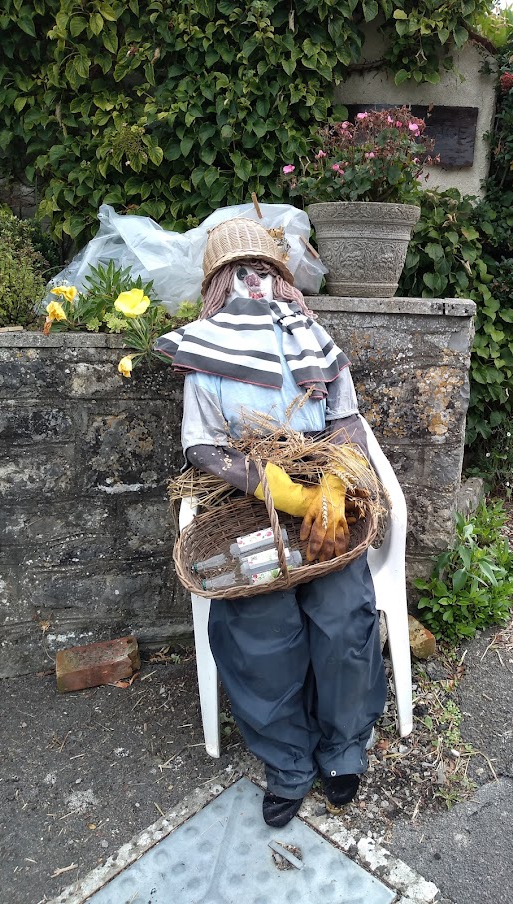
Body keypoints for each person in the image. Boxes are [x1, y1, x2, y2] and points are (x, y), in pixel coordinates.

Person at [155, 217, 386, 828]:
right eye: (240, 275)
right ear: (219, 286)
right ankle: (288, 761)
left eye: (264, 272)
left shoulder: (313, 339)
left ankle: (343, 747)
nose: (254, 284)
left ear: (282, 280)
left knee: (343, 615)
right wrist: (276, 490)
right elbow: (202, 446)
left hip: (322, 494)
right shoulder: (206, 353)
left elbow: (347, 420)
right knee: (259, 626)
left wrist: (331, 486)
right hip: (245, 501)